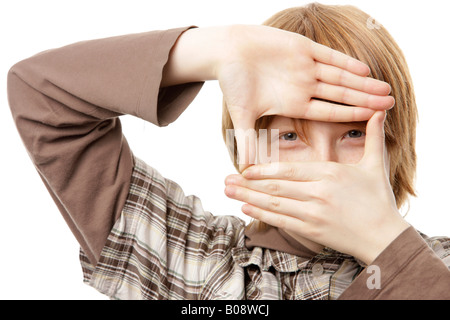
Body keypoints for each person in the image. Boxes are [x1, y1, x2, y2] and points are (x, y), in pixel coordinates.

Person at [7, 3, 450, 300]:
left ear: (397, 143)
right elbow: (41, 94)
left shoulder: (440, 266)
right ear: (246, 148)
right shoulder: (194, 258)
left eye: (353, 134)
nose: (325, 168)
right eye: (290, 137)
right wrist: (215, 50)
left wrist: (389, 247)